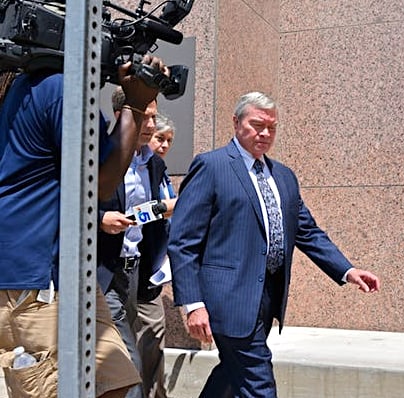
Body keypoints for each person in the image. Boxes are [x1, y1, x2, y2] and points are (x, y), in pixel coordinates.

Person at [168, 91, 381, 397]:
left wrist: (347, 270)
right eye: (257, 125)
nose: (265, 133)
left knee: (231, 375)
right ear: (236, 123)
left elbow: (307, 231)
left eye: (272, 127)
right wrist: (193, 305)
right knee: (258, 383)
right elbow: (183, 241)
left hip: (266, 298)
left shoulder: (283, 176)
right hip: (226, 299)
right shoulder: (211, 166)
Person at [0, 53, 167, 397]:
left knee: (115, 384)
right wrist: (134, 103)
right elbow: (101, 185)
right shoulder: (57, 89)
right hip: (36, 280)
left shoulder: (37, 88)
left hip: (67, 274)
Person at [96, 89, 170, 398]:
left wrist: (169, 207)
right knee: (127, 361)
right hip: (102, 271)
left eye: (154, 116)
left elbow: (142, 214)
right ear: (122, 115)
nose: (152, 124)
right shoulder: (102, 155)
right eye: (145, 116)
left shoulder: (153, 163)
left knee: (117, 358)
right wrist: (99, 218)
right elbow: (66, 197)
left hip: (134, 270)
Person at [132, 112, 178, 398]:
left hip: (152, 270)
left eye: (169, 141)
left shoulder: (157, 167)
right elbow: (131, 215)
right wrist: (167, 207)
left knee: (152, 344)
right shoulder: (127, 166)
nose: (163, 145)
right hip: (127, 270)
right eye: (159, 138)